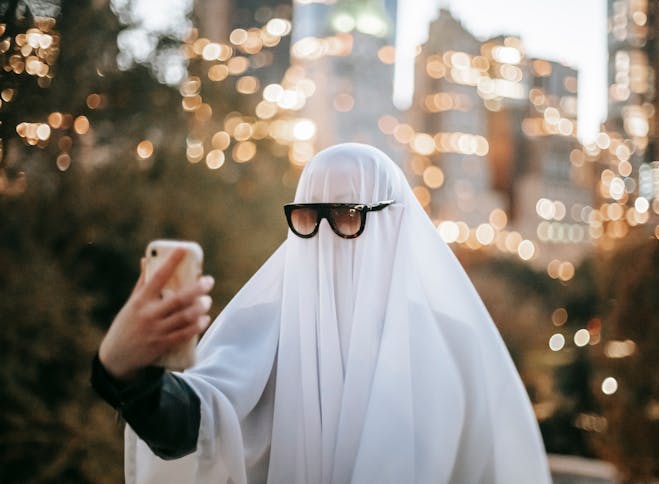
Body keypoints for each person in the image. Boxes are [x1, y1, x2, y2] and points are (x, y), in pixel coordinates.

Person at [92, 142, 552, 484]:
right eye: (311, 216)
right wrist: (125, 370)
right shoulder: (265, 327)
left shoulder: (453, 346)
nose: (328, 234)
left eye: (349, 214)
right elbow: (197, 424)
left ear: (392, 222)